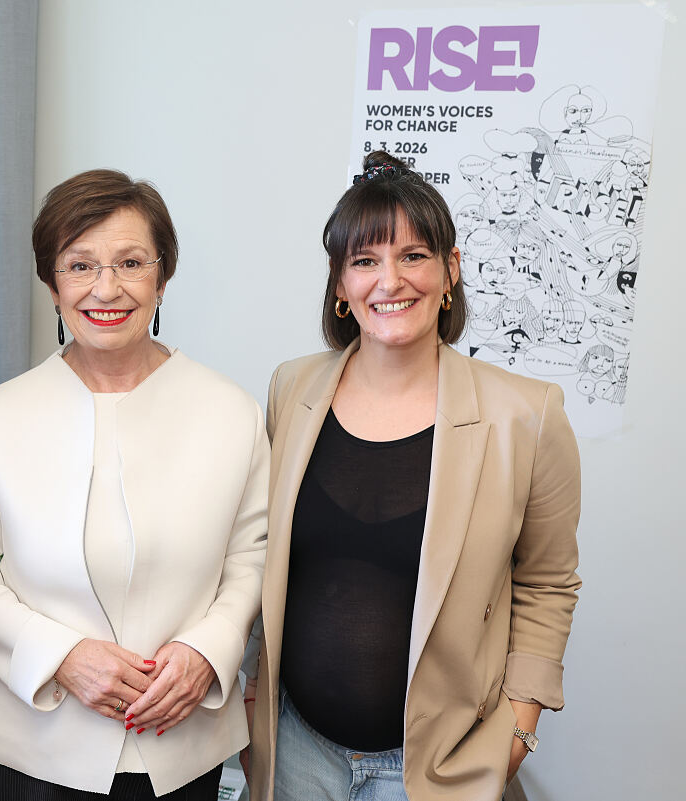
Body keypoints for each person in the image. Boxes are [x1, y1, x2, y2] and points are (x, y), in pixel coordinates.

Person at [247, 152, 582, 801]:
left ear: (450, 269)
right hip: (296, 754)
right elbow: (266, 555)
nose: (389, 280)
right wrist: (253, 691)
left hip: (436, 769)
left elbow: (547, 581)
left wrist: (521, 724)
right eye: (365, 260)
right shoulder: (291, 388)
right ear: (340, 283)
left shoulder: (526, 414)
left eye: (414, 256)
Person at [0, 169, 269, 800]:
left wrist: (208, 651)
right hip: (36, 747)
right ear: (52, 284)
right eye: (80, 265)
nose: (106, 288)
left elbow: (252, 555)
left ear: (163, 278)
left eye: (131, 263)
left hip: (183, 741)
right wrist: (60, 656)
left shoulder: (231, 411)